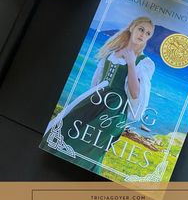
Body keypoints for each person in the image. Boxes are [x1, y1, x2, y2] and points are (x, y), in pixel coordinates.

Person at [42, 17, 155, 174]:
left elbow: (135, 94)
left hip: (113, 111)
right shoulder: (111, 53)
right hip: (93, 103)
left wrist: (131, 63)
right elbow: (96, 83)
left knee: (83, 149)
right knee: (62, 132)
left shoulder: (144, 62)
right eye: (141, 29)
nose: (143, 34)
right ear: (132, 28)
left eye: (148, 33)